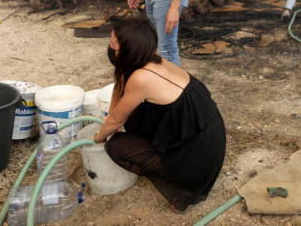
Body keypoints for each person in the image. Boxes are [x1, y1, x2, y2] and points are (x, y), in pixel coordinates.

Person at [93, 17, 226, 211]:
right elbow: (119, 92)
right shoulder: (149, 60)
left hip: (197, 154)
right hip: (197, 133)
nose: (110, 46)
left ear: (129, 48)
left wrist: (98, 137)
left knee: (116, 146)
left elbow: (115, 119)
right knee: (133, 111)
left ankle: (177, 179)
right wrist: (112, 118)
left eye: (114, 43)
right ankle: (157, 153)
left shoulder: (142, 77)